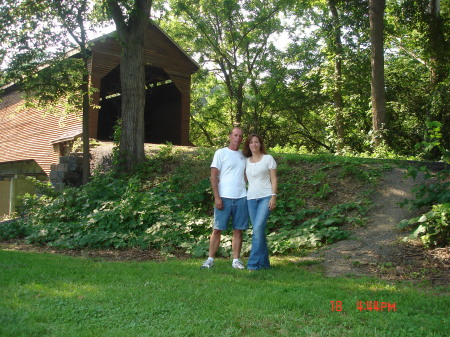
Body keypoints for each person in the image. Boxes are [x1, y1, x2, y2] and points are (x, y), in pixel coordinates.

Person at [201, 127, 248, 269]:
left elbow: (247, 174)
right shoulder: (221, 153)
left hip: (241, 197)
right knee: (217, 229)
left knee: (238, 230)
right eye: (235, 135)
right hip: (224, 197)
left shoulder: (244, 156)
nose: (238, 138)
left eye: (240, 136)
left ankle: (236, 261)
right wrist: (217, 197)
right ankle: (210, 259)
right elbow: (214, 176)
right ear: (229, 136)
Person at [242, 134, 277, 270]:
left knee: (257, 229)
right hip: (251, 199)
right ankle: (264, 264)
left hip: (266, 197)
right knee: (259, 231)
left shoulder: (268, 159)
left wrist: (274, 196)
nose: (254, 144)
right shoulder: (246, 161)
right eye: (251, 142)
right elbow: (243, 179)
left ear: (260, 144)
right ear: (248, 145)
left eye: (256, 142)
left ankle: (252, 264)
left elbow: (274, 178)